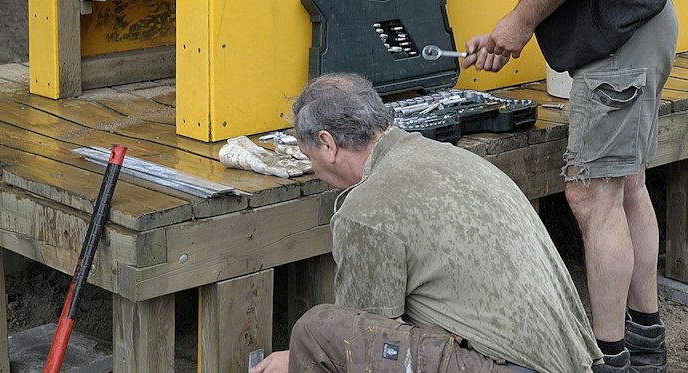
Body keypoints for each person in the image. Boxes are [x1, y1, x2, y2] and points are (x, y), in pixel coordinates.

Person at [408, 0, 677, 373]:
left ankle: (610, 357)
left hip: (622, 39)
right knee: (626, 184)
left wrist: (517, 25)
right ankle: (646, 339)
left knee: (590, 194)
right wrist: (509, 31)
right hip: (636, 27)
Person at [249, 73, 598, 373]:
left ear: (327, 144)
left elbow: (364, 342)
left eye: (310, 157)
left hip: (511, 365)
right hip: (567, 359)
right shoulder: (447, 156)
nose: (314, 169)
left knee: (317, 333)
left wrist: (297, 359)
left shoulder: (367, 209)